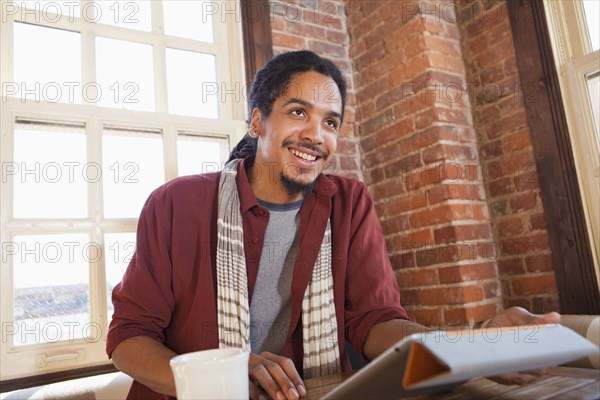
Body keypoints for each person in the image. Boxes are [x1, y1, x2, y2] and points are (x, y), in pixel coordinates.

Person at [107, 50, 560, 400]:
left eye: (331, 122)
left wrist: (473, 347)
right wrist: (222, 377)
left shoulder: (349, 202)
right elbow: (129, 338)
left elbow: (376, 321)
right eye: (298, 112)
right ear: (257, 120)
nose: (316, 136)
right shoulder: (177, 203)